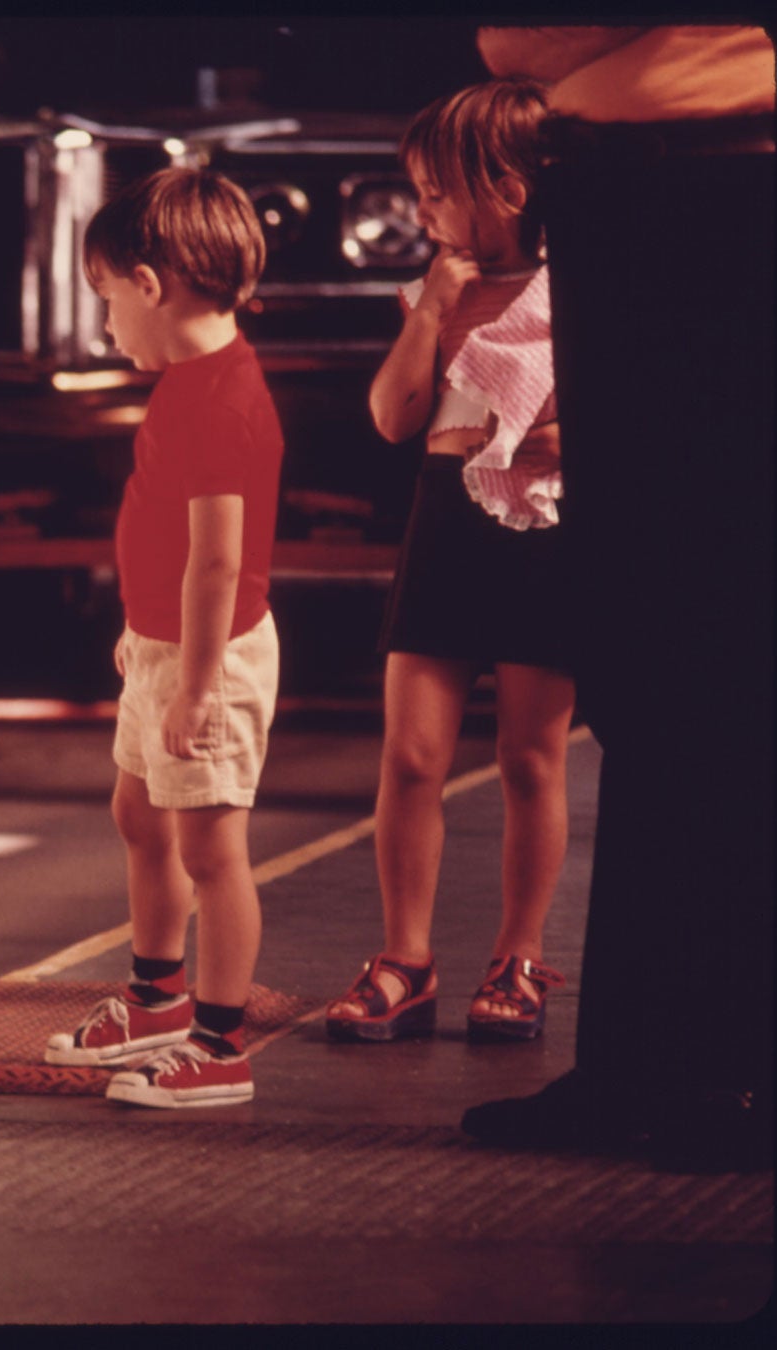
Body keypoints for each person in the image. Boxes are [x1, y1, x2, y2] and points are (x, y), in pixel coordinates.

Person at [463, 26, 773, 1172]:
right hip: (694, 175)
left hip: (684, 182)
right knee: (705, 656)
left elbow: (534, 32)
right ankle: (694, 1068)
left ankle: (665, 1072)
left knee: (665, 661)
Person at [324, 81, 578, 1047]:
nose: (421, 210)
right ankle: (405, 959)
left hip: (540, 531)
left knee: (528, 756)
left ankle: (518, 957)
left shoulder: (574, 288)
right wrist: (429, 311)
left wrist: (568, 441)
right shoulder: (445, 287)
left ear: (504, 189)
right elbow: (393, 417)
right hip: (442, 523)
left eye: (435, 191)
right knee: (411, 755)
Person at [40, 168, 284, 1108]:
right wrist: (145, 647)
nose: (107, 326)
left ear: (151, 283)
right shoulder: (190, 382)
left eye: (107, 300)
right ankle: (155, 998)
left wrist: (191, 683)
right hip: (163, 649)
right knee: (140, 819)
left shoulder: (222, 399)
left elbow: (218, 563)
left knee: (213, 851)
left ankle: (219, 1046)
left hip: (205, 660)